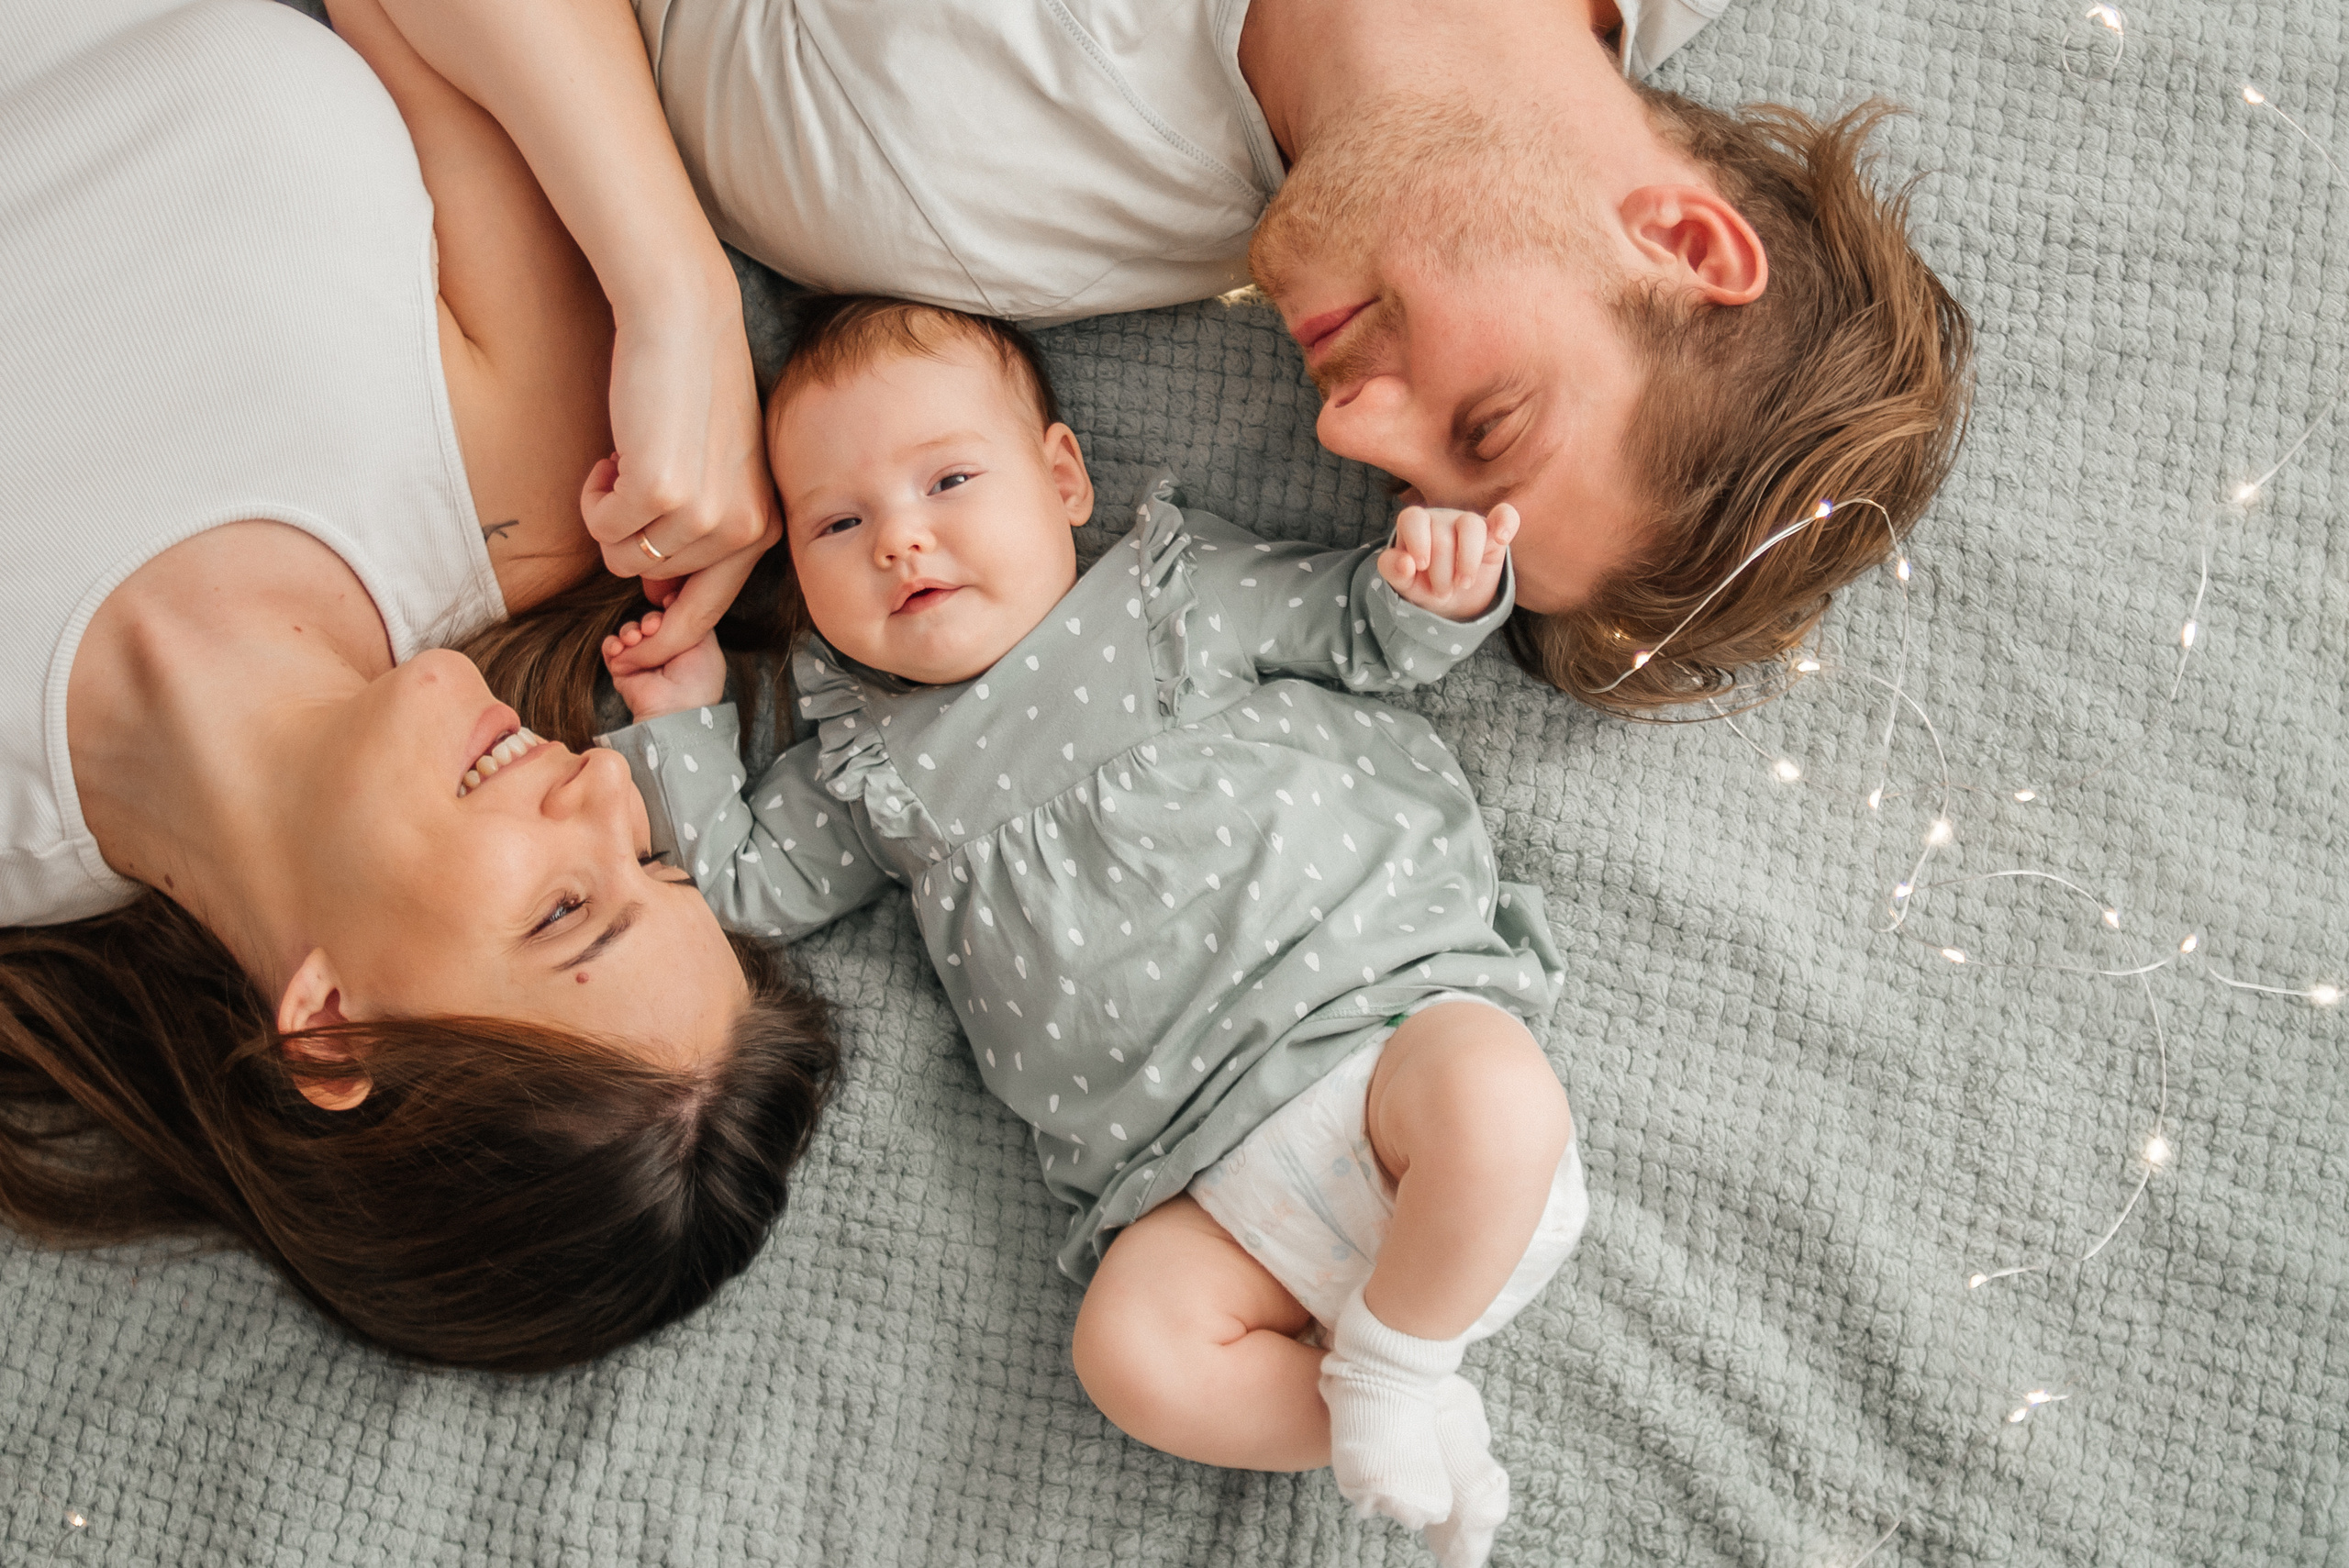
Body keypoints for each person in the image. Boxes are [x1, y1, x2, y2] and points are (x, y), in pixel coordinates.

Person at [596, 296, 1590, 1567]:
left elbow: (1361, 627)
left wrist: (1441, 588)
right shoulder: (870, 764)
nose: (900, 539)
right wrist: (680, 716)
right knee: (1129, 1356)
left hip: (1382, 1033)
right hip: (1205, 1191)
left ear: (1063, 478)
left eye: (949, 480)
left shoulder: (1172, 593)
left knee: (1498, 1097)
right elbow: (745, 886)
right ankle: (1397, 1397)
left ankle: (1392, 1363)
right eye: (838, 524)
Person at [366, 0, 1972, 712]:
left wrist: (670, 289)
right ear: (1685, 245)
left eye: (1410, 481)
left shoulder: (925, 178)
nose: (1350, 433)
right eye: (1486, 423)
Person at [0, 0, 833, 1372]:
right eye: (654, 855)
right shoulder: (538, 485)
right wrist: (675, 289)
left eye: (567, 908)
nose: (606, 782)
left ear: (332, 1035)